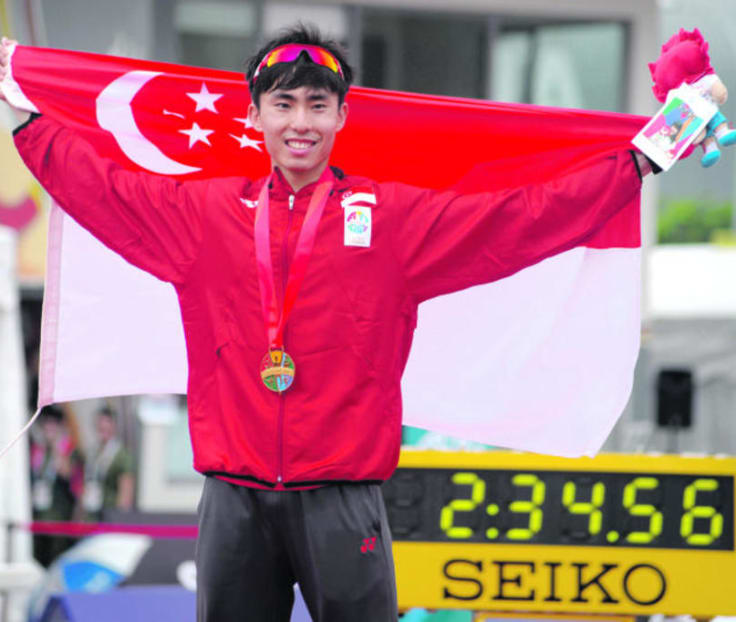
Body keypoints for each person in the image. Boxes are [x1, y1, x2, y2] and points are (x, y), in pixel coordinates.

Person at [3, 25, 662, 620]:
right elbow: (104, 188)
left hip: (343, 500)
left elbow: (517, 219)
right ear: (254, 114)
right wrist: (28, 122)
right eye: (284, 104)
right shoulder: (204, 216)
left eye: (318, 105)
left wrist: (637, 160)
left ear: (343, 116)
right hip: (235, 497)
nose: (301, 122)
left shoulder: (392, 221)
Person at [29, 405, 83, 567]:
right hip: (39, 517)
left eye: (53, 424)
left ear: (60, 426)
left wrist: (54, 448)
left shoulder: (69, 449)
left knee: (57, 561)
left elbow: (67, 473)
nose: (48, 428)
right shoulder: (38, 450)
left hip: (59, 519)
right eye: (46, 423)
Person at [81, 406, 135, 521]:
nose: (103, 428)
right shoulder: (93, 452)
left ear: (114, 426)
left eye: (107, 423)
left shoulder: (121, 455)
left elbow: (126, 492)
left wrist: (119, 519)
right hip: (92, 513)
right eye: (100, 424)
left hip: (110, 515)